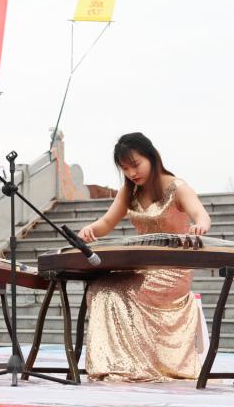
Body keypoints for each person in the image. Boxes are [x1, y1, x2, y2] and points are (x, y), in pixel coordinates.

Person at [76, 132, 212, 382]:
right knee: (99, 288)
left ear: (152, 157)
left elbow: (201, 214)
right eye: (125, 168)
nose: (131, 173)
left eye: (136, 164)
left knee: (123, 292)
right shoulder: (129, 192)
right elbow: (107, 222)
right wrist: (89, 230)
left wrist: (200, 226)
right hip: (141, 267)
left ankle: (135, 365)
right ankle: (117, 364)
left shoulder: (177, 188)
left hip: (173, 270)